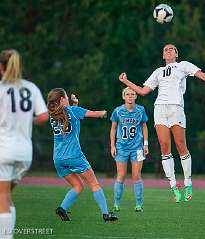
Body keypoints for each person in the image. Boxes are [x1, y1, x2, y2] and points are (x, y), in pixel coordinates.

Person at [118, 44, 205, 203]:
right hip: (160, 109)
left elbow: (200, 74)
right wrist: (126, 81)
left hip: (176, 108)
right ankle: (173, 186)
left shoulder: (183, 65)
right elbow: (144, 91)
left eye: (171, 49)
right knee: (165, 147)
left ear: (176, 54)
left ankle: (188, 182)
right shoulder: (158, 71)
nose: (168, 50)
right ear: (163, 55)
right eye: (165, 49)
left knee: (180, 145)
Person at [47, 88, 117, 222]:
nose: (68, 98)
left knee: (78, 186)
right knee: (94, 184)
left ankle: (62, 208)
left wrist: (74, 104)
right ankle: (106, 214)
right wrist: (106, 112)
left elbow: (69, 118)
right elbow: (97, 114)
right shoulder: (73, 111)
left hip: (58, 159)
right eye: (66, 97)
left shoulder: (53, 115)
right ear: (62, 99)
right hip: (74, 156)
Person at [0, 49, 48, 239]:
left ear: (2, 67)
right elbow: (44, 116)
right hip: (25, 153)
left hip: (4, 150)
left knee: (1, 197)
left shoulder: (1, 89)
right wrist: (28, 120)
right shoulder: (31, 88)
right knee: (6, 196)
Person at [110, 87, 149, 212]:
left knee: (136, 175)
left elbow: (144, 126)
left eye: (133, 94)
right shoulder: (117, 111)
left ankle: (138, 204)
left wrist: (146, 144)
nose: (130, 96)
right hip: (121, 147)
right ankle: (116, 204)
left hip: (137, 147)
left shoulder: (141, 110)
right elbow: (113, 128)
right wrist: (112, 145)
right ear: (123, 96)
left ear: (136, 96)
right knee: (120, 175)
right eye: (128, 94)